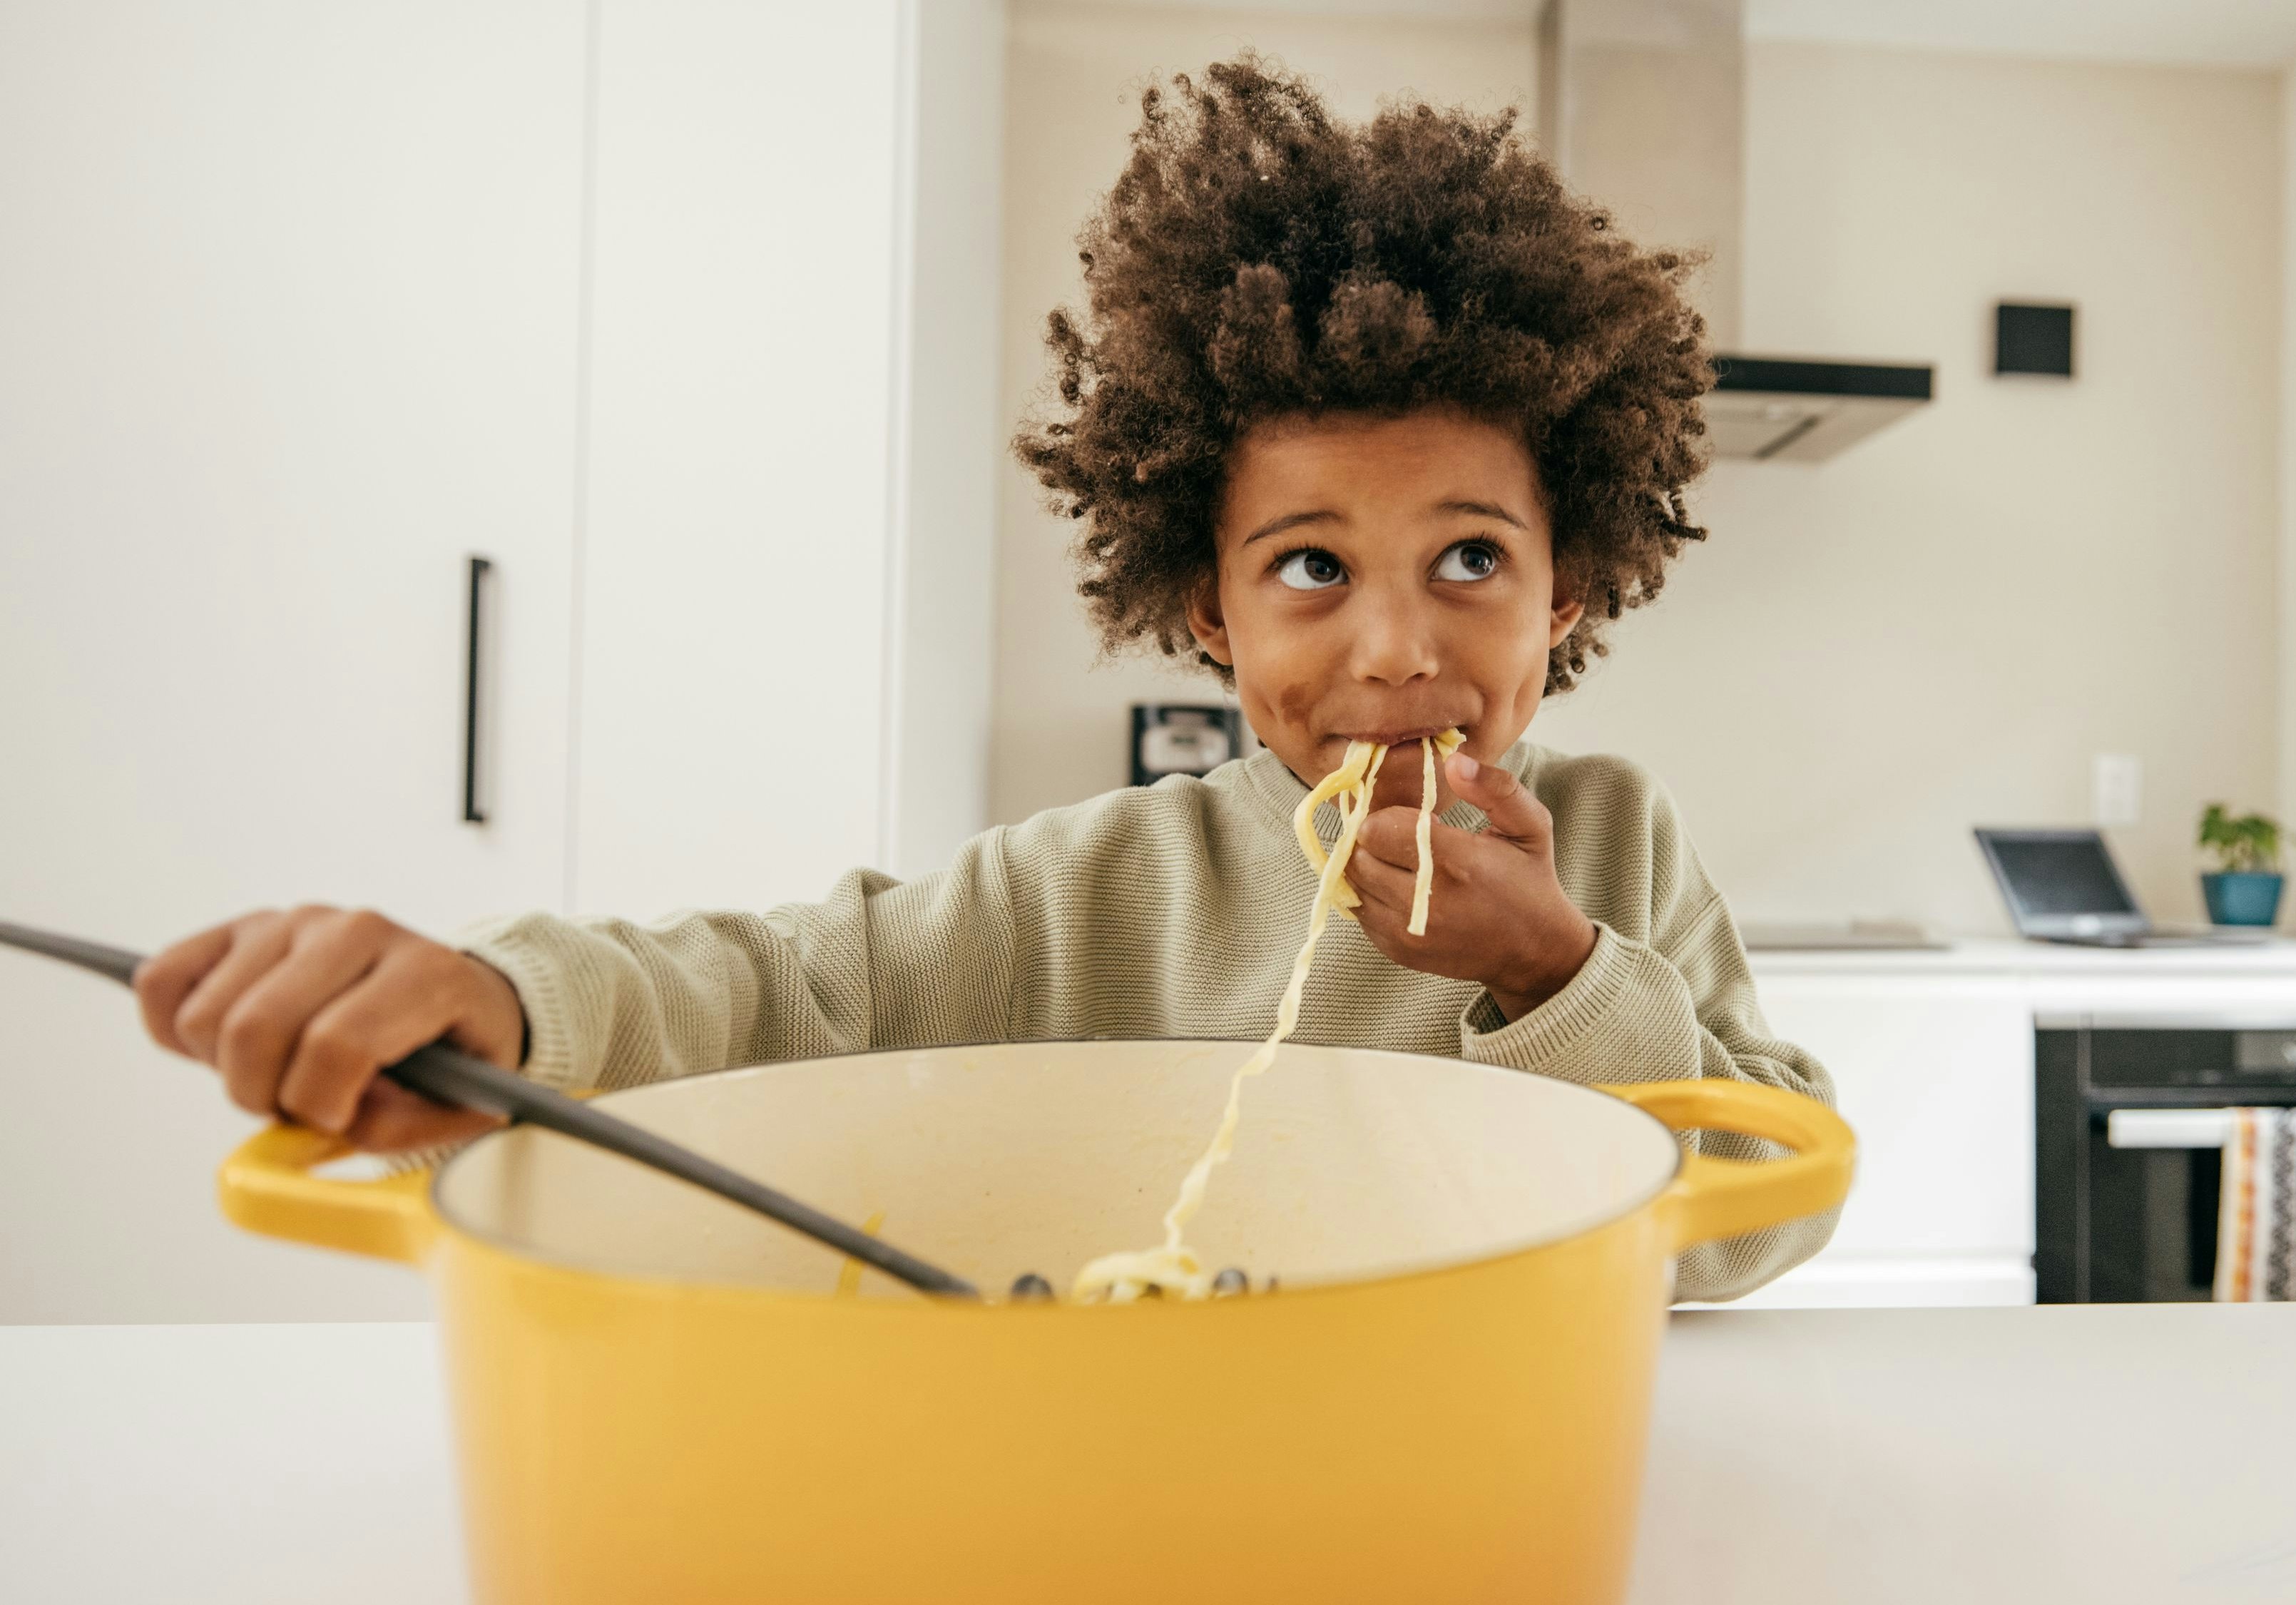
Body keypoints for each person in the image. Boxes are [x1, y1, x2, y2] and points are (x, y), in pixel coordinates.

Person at [128, 57, 1837, 1301]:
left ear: (1567, 594)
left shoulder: (1608, 846)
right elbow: (775, 997)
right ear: (1204, 609)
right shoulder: (1079, 890)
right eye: (1309, 567)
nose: (1397, 647)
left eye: (1470, 560)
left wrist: (1554, 976)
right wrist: (498, 1008)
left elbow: (1759, 1218)